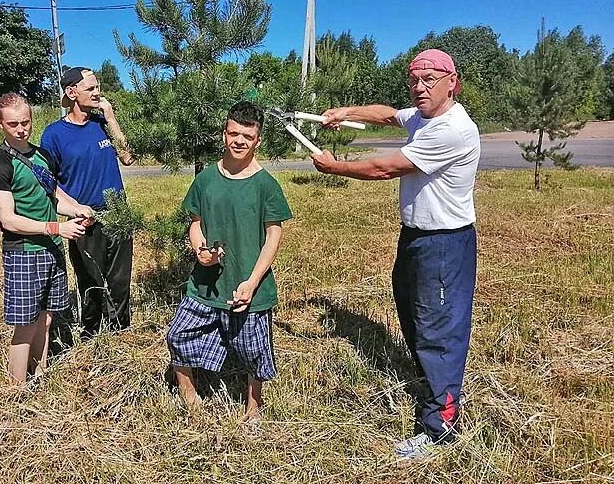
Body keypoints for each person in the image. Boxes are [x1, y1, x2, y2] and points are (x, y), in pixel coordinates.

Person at [311, 49, 480, 458]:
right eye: (414, 81)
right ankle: (431, 381)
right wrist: (345, 112)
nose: (419, 89)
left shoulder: (452, 130)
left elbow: (385, 168)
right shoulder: (423, 116)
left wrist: (335, 168)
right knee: (413, 314)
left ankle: (441, 424)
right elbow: (389, 115)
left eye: (429, 81)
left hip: (444, 244)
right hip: (415, 239)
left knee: (438, 330)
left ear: (451, 83)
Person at [166, 101, 293, 426]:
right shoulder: (207, 179)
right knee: (178, 337)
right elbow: (195, 223)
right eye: (233, 133)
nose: (239, 141)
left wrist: (252, 282)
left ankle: (254, 406)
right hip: (206, 284)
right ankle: (190, 397)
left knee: (254, 353)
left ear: (258, 140)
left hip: (248, 286)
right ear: (224, 134)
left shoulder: (266, 185)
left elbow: (273, 237)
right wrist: (200, 251)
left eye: (247, 136)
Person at [0, 92, 93, 384]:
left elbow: (55, 196)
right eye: (13, 124)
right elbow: (8, 219)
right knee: (25, 326)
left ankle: (40, 375)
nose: (21, 129)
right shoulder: (0, 165)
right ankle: (16, 390)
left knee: (45, 320)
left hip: (51, 249)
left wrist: (78, 208)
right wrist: (56, 228)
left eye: (26, 122)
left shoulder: (40, 155)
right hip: (24, 252)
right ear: (0, 124)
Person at [40, 66, 135, 337]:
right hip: (84, 217)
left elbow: (128, 157)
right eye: (90, 88)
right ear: (71, 93)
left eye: (98, 87)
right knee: (90, 278)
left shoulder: (101, 123)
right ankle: (92, 331)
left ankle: (120, 330)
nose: (97, 93)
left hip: (118, 212)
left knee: (119, 277)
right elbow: (49, 181)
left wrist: (111, 118)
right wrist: (73, 209)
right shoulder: (54, 135)